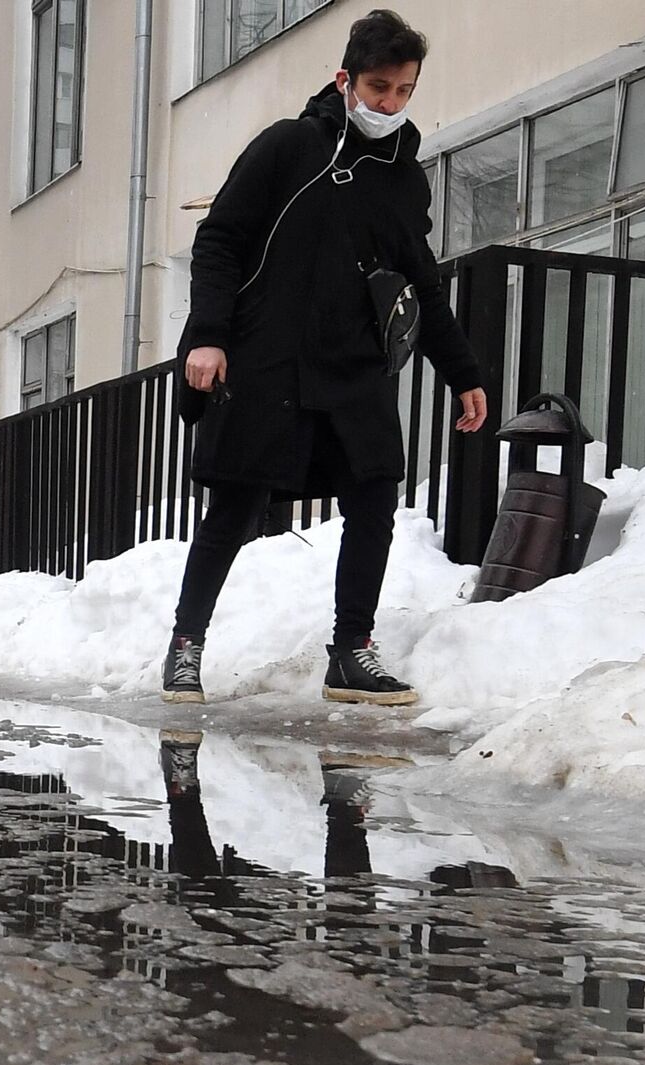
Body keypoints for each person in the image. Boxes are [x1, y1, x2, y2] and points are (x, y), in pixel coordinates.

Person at [162, 8, 488, 707]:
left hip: (352, 368)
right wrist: (211, 334)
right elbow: (219, 241)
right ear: (345, 79)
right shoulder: (289, 148)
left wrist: (463, 372)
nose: (390, 104)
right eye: (378, 88)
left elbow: (422, 283)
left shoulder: (404, 178)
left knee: (375, 493)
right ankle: (186, 647)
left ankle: (351, 652)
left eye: (403, 91)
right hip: (268, 361)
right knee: (236, 504)